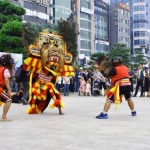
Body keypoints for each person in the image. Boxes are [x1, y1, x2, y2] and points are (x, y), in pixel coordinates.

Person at [0, 54, 13, 122]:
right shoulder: (5, 70)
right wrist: (9, 89)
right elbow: (6, 80)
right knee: (9, 99)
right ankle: (4, 117)